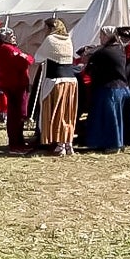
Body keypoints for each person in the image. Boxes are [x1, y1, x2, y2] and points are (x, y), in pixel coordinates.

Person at [83, 26, 130, 152]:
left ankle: (113, 144)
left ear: (108, 36)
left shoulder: (103, 52)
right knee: (119, 117)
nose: (100, 38)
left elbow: (91, 70)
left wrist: (88, 62)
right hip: (123, 88)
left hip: (109, 89)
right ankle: (120, 142)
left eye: (102, 35)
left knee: (109, 118)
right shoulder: (120, 49)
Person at [33, 18, 78, 156]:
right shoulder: (68, 39)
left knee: (56, 112)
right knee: (67, 113)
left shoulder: (50, 40)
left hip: (56, 81)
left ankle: (60, 144)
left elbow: (38, 57)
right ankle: (68, 142)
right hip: (71, 80)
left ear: (51, 28)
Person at [0, 27, 34, 153]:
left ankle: (19, 141)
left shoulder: (10, 48)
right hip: (15, 84)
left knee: (18, 114)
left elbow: (28, 59)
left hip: (17, 83)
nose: (14, 37)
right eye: (11, 36)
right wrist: (26, 57)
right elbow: (23, 62)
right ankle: (15, 143)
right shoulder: (6, 49)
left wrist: (26, 57)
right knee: (17, 114)